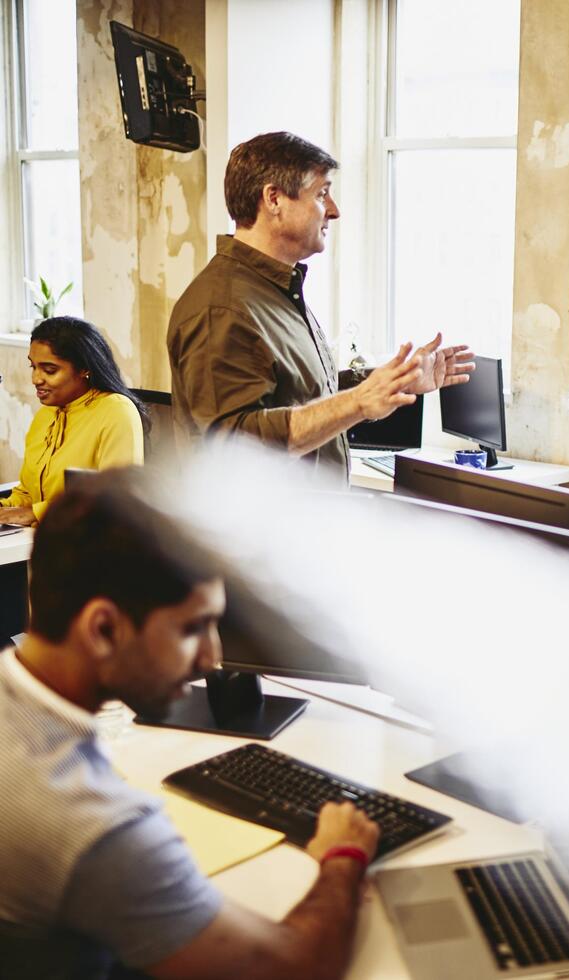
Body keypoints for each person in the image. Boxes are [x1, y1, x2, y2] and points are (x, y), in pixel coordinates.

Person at [0, 477, 379, 979]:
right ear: (104, 628)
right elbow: (294, 967)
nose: (212, 659)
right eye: (192, 629)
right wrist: (343, 855)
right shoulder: (96, 828)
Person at [168, 131, 473, 483]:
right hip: (255, 536)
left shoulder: (275, 289)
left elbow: (303, 396)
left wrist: (391, 383)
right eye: (322, 194)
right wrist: (357, 401)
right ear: (274, 199)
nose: (334, 210)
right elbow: (231, 447)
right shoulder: (221, 307)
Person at [0, 316, 145, 526]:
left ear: (84, 368)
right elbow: (28, 492)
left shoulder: (116, 411)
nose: (35, 379)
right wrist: (6, 507)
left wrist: (35, 513)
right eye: (33, 367)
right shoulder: (45, 415)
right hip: (39, 540)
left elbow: (116, 499)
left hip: (88, 546)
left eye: (49, 370)